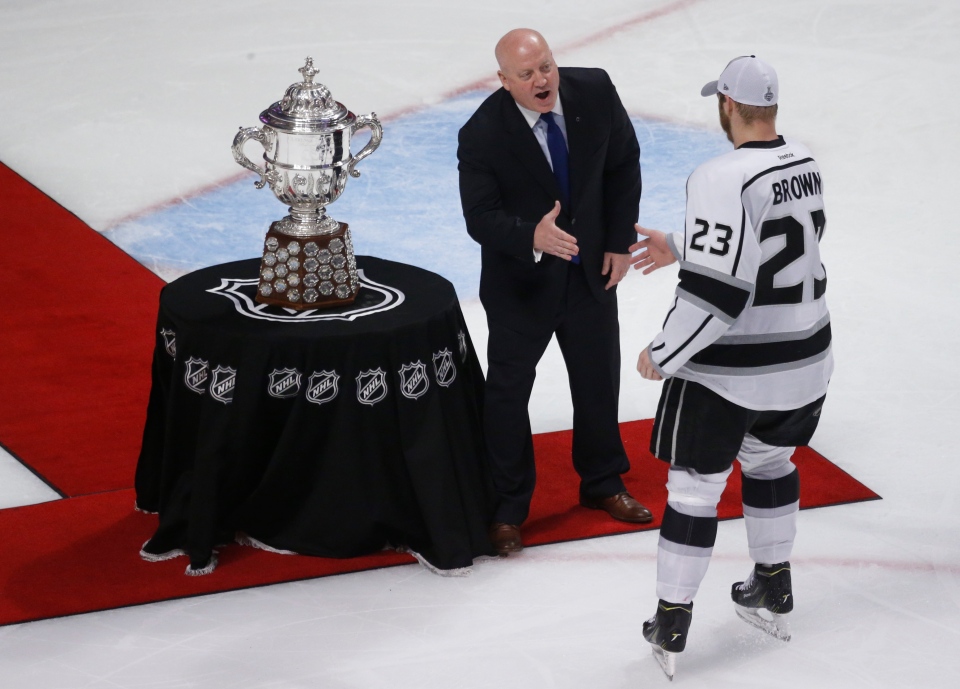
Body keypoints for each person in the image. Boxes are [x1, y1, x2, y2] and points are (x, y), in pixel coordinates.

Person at [628, 56, 832, 679]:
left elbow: (718, 295)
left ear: (726, 105)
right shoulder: (804, 162)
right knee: (772, 461)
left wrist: (662, 352)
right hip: (806, 357)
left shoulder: (718, 174)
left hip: (730, 372)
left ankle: (673, 619)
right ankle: (773, 584)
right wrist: (681, 243)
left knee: (694, 489)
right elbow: (775, 243)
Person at [457, 28, 652, 556]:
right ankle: (506, 508)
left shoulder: (594, 91)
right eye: (527, 74)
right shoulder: (482, 134)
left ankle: (604, 482)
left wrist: (615, 241)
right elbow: (480, 218)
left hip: (591, 272)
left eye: (545, 66)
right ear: (504, 81)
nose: (542, 80)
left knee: (597, 379)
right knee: (507, 394)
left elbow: (622, 164)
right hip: (521, 285)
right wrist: (531, 235)